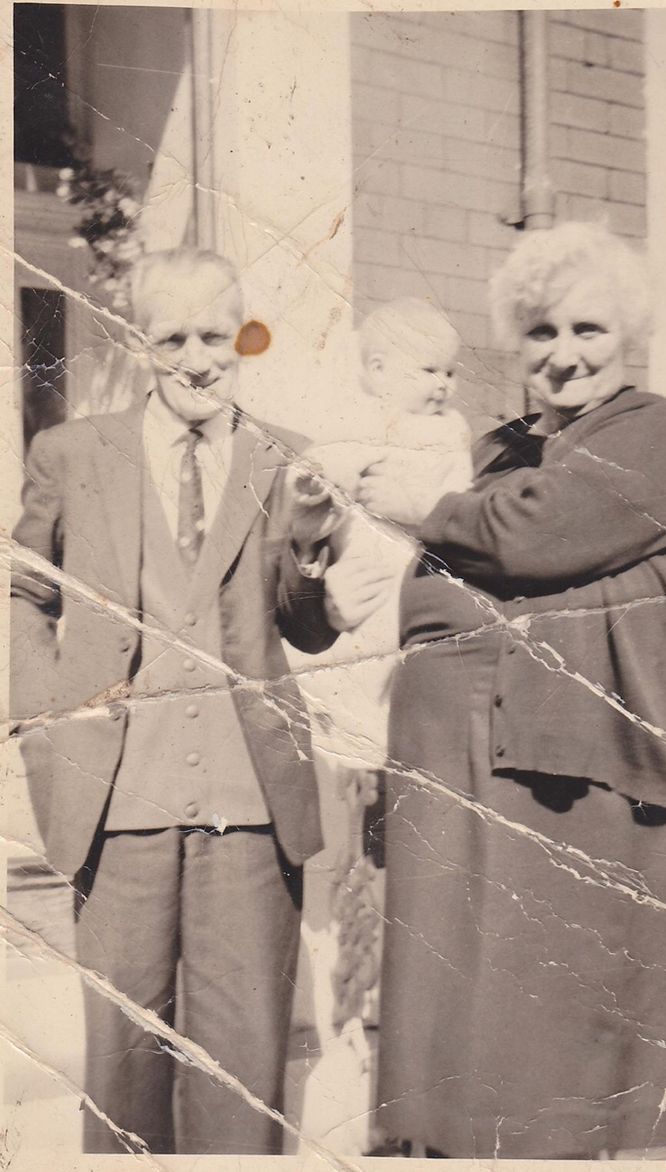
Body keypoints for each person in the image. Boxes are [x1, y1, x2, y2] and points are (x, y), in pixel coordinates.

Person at [9, 248, 383, 1156]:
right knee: (122, 1068)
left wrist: (317, 568)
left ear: (243, 338)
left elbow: (300, 626)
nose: (197, 357)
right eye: (170, 336)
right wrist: (44, 732)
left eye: (216, 335)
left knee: (241, 1073)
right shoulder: (71, 452)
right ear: (137, 344)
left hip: (251, 811)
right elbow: (24, 590)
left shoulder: (280, 456)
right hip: (116, 806)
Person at [356, 223, 666, 1159]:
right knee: (464, 1022)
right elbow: (453, 578)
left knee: (561, 1035)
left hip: (579, 766)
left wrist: (428, 514)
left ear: (625, 333)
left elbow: (538, 535)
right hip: (466, 759)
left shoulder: (652, 430)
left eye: (587, 330)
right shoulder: (498, 451)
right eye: (541, 333)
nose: (564, 355)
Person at [291, 296, 472, 770]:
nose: (443, 384)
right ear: (378, 371)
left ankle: (383, 744)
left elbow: (461, 498)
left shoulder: (453, 430)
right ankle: (351, 741)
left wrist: (421, 505)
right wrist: (316, 486)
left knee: (403, 652)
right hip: (366, 554)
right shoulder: (362, 419)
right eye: (428, 370)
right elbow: (326, 470)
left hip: (418, 560)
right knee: (361, 643)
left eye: (450, 373)